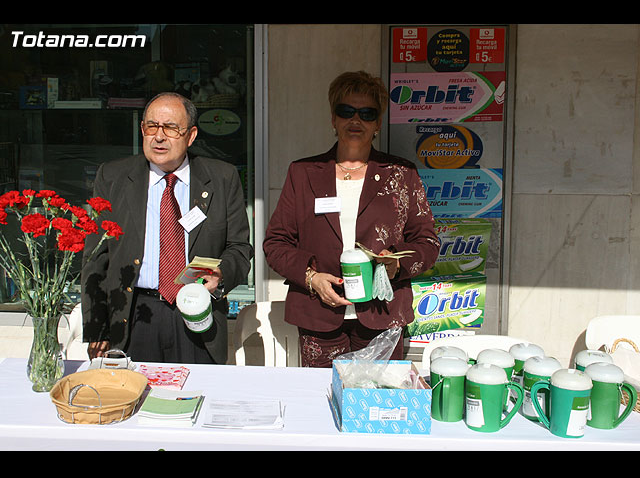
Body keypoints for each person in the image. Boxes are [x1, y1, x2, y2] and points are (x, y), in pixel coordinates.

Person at [263, 71, 440, 367]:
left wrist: (397, 265)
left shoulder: (401, 173)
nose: (355, 120)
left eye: (367, 113)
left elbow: (428, 242)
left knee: (376, 403)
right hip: (318, 315)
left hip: (383, 312)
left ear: (377, 124)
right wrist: (311, 278)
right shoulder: (304, 172)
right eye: (346, 111)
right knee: (320, 400)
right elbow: (276, 242)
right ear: (333, 119)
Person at [81, 92, 253, 364]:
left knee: (198, 395)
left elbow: (239, 247)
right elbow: (95, 256)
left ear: (191, 135)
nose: (159, 137)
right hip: (133, 315)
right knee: (136, 401)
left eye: (171, 128)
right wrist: (95, 326)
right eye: (152, 126)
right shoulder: (113, 177)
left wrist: (223, 274)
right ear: (142, 130)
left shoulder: (221, 177)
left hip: (197, 311)